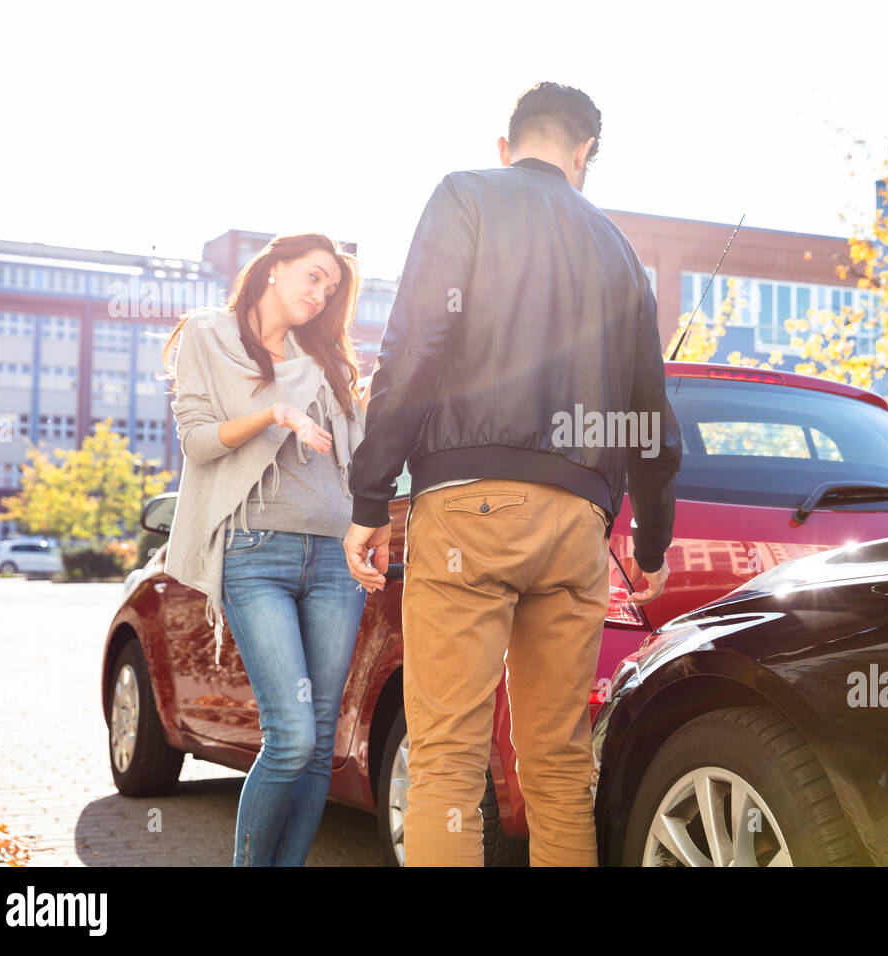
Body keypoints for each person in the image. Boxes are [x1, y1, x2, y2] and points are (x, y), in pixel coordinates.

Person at [343, 82, 682, 866]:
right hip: (577, 529)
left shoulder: (465, 196)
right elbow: (651, 421)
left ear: (507, 145)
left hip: (470, 507)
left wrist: (369, 495)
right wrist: (653, 546)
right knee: (560, 763)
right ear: (583, 153)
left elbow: (414, 345)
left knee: (447, 759)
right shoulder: (622, 254)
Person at [163, 232, 373, 866]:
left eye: (330, 289)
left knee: (316, 745)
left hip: (336, 560)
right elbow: (198, 442)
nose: (319, 295)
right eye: (312, 277)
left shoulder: (328, 359)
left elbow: (360, 462)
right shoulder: (210, 335)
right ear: (273, 269)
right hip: (256, 553)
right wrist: (274, 414)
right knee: (288, 736)